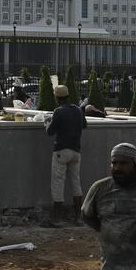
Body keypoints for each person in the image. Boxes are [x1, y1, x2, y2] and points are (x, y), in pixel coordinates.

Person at [46, 84, 86, 225]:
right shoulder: (78, 110)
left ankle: (57, 219)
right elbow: (84, 125)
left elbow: (50, 132)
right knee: (76, 183)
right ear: (68, 95)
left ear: (57, 98)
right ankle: (78, 218)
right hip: (76, 151)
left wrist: (47, 122)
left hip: (62, 151)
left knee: (58, 183)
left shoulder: (58, 111)